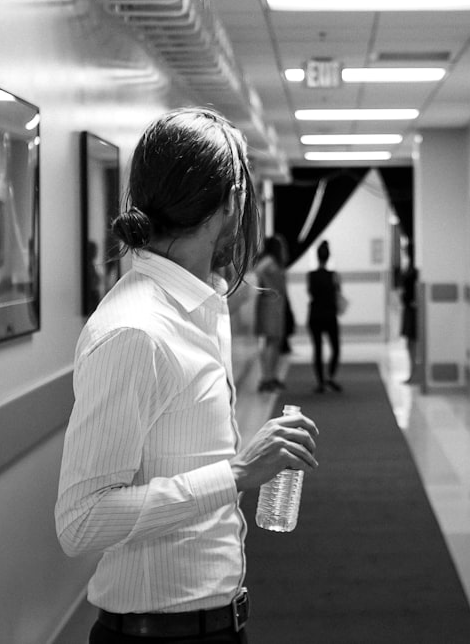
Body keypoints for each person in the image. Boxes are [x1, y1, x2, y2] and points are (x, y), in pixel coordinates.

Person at [55, 107, 319, 644]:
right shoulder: (136, 331)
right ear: (230, 202)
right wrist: (237, 473)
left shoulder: (201, 306)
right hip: (159, 636)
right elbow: (79, 521)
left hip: (212, 623)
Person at [306, 240, 342, 394]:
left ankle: (320, 381)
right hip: (330, 315)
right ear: (328, 257)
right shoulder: (334, 276)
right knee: (335, 347)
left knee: (318, 349)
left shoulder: (311, 275)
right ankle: (330, 377)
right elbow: (338, 293)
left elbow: (311, 293)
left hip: (315, 315)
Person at [254, 235, 287, 392]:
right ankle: (266, 377)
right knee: (270, 340)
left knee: (275, 341)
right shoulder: (269, 260)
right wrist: (268, 288)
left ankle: (271, 376)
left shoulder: (276, 261)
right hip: (269, 304)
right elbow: (258, 271)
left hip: (275, 304)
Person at [399, 243, 420, 384]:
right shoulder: (410, 268)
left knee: (412, 343)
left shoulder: (414, 270)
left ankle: (415, 373)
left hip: (412, 309)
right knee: (409, 344)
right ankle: (412, 373)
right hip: (408, 308)